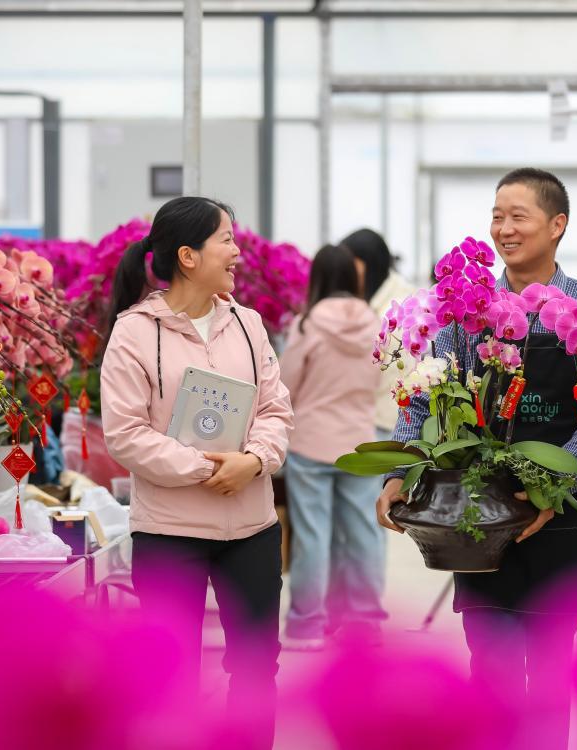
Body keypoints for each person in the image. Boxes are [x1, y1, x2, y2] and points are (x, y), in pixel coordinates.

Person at [376, 168, 577, 750]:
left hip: (559, 517)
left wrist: (548, 485)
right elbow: (426, 393)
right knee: (489, 673)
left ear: (557, 225)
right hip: (477, 513)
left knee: (549, 680)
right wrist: (397, 470)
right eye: (496, 216)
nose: (503, 229)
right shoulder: (468, 310)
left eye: (518, 216)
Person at [100, 196, 292, 749]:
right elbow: (126, 434)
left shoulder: (248, 325)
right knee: (171, 678)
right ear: (188, 255)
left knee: (257, 669)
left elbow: (277, 410)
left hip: (250, 529)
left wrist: (253, 460)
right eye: (226, 240)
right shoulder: (135, 333)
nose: (237, 252)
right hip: (168, 531)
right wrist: (208, 470)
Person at [278, 244, 387, 651]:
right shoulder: (375, 323)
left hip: (311, 443)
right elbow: (376, 380)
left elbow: (287, 384)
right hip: (359, 441)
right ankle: (365, 623)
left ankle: (307, 625)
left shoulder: (307, 325)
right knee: (362, 535)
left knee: (312, 535)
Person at [340, 228, 417, 442]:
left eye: (349, 265)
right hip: (390, 419)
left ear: (367, 264)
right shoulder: (393, 294)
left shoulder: (390, 313)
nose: (344, 274)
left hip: (388, 423)